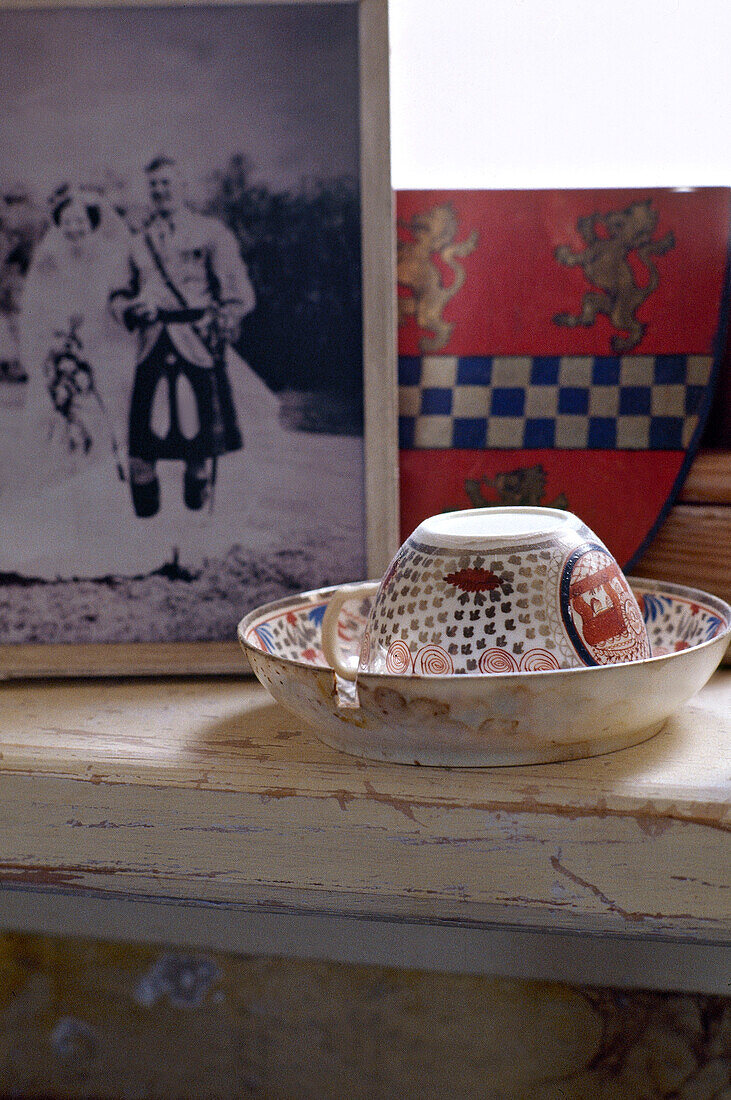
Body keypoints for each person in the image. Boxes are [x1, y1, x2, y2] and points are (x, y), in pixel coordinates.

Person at [109, 156, 256, 517]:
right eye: (154, 185)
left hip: (197, 344)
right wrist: (130, 309)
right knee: (141, 449)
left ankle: (193, 530)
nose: (160, 191)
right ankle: (145, 528)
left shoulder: (211, 233)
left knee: (199, 450)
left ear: (183, 187)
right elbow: (116, 294)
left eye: (167, 183)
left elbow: (238, 293)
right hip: (151, 344)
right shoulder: (137, 243)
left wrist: (223, 321)